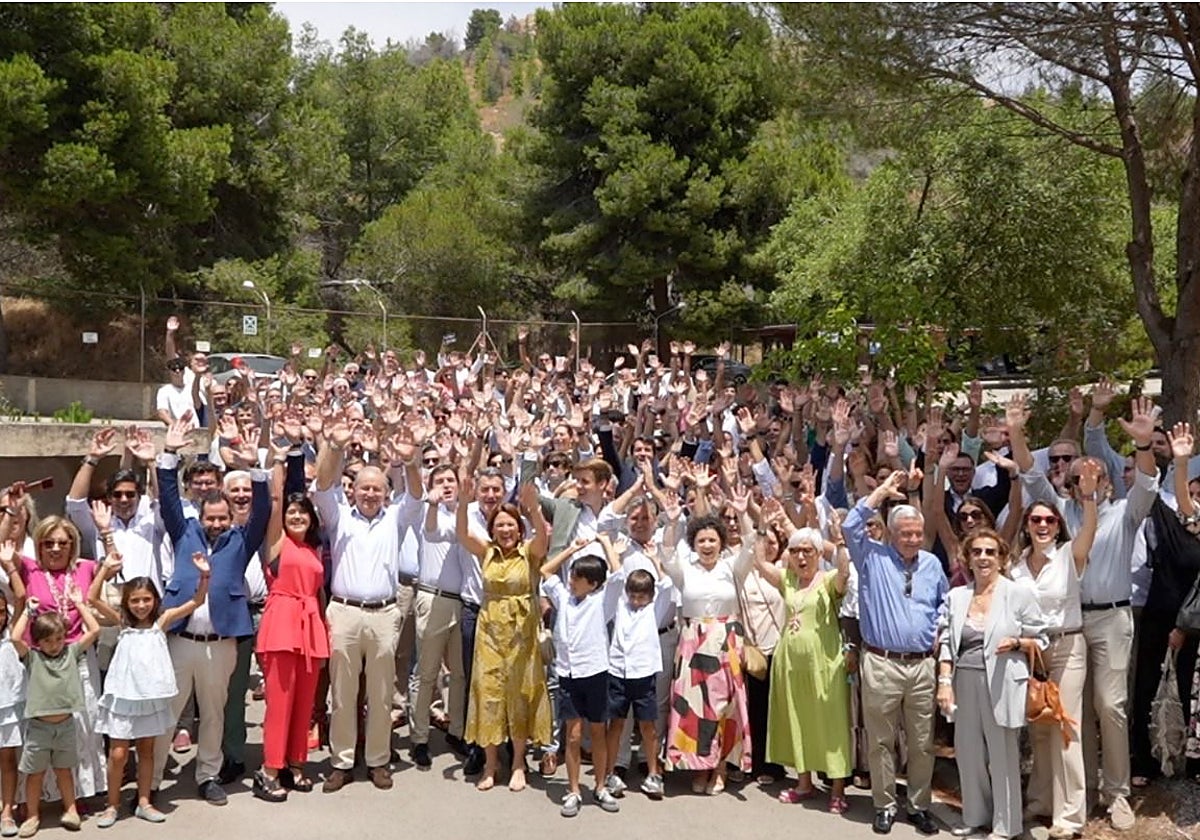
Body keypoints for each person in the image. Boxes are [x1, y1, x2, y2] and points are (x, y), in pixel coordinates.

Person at [1011, 392, 1158, 831]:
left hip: (1111, 618)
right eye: (1078, 476)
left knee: (1110, 704)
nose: (1087, 481)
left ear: (1109, 479)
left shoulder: (1124, 513)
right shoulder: (1057, 514)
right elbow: (1028, 470)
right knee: (1071, 712)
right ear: (1070, 484)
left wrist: (1145, 445)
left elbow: (1148, 482)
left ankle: (1116, 794)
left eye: (1095, 474)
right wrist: (1017, 431)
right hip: (1067, 627)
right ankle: (1082, 792)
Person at [152, 419, 270, 807]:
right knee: (169, 710)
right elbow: (168, 496)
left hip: (221, 644)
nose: (217, 523)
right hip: (180, 640)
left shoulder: (241, 540)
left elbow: (264, 510)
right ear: (200, 517)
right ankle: (151, 780)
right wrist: (169, 454)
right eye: (211, 518)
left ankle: (207, 775)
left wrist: (257, 470)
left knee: (215, 713)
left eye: (223, 518)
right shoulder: (183, 533)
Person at [842, 468, 947, 837]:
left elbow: (943, 604)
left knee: (921, 742)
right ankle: (884, 804)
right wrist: (882, 494)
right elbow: (849, 527)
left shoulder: (932, 564)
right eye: (905, 533)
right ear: (891, 533)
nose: (913, 539)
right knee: (881, 741)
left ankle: (918, 806)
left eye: (917, 533)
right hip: (881, 662)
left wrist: (939, 629)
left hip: (921, 666)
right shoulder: (871, 557)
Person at [314, 414, 407, 794]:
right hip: (345, 612)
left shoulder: (396, 518)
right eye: (364, 488)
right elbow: (322, 483)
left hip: (384, 612)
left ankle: (378, 760)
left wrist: (409, 459)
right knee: (343, 692)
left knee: (382, 694)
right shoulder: (340, 517)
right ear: (353, 490)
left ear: (386, 492)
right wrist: (335, 445)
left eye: (377, 489)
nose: (370, 494)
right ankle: (342, 761)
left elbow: (415, 494)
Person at [937, 530, 1049, 840]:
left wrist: (1016, 642)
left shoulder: (1018, 594)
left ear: (1001, 558)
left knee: (1002, 753)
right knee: (968, 750)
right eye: (977, 552)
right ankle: (975, 815)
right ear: (967, 558)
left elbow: (1041, 638)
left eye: (990, 552)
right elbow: (947, 641)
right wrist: (945, 682)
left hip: (1003, 681)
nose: (983, 558)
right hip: (965, 679)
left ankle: (1006, 825)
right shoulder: (957, 596)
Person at [88, 551, 211, 827]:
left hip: (150, 698)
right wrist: (105, 569)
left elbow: (197, 601)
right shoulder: (122, 622)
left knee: (147, 751)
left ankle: (144, 801)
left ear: (155, 600)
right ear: (126, 603)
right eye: (135, 600)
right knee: (118, 753)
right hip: (124, 696)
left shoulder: (162, 621)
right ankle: (112, 805)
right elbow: (92, 598)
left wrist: (204, 575)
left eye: (146, 599)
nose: (141, 605)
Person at [1009, 472, 1099, 839]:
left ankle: (1069, 815)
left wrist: (1089, 498)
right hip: (1032, 653)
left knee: (1066, 728)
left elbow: (1089, 532)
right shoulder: (1015, 566)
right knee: (1040, 728)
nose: (1043, 525)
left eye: (1049, 520)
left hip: (1067, 646)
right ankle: (1041, 802)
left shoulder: (1068, 556)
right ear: (1027, 525)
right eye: (1036, 520)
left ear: (1058, 525)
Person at [455, 478, 552, 792]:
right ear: (492, 529)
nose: (506, 530)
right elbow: (461, 534)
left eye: (511, 524)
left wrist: (533, 509)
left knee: (520, 694)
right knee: (488, 694)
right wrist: (462, 502)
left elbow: (544, 538)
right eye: (500, 525)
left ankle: (519, 762)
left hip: (521, 634)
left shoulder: (529, 553)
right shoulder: (487, 551)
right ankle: (490, 764)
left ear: (519, 528)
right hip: (490, 631)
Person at [660, 486, 757, 796]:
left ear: (721, 542)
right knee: (696, 711)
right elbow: (666, 555)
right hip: (692, 644)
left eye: (712, 540)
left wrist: (742, 514)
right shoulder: (685, 570)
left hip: (726, 642)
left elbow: (752, 547)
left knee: (724, 709)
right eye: (701, 540)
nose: (707, 545)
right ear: (694, 543)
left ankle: (720, 768)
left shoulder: (733, 568)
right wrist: (673, 522)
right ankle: (698, 767)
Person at [253, 436, 329, 803]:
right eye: (292, 514)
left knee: (304, 702)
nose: (297, 516)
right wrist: (279, 462)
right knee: (280, 703)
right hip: (283, 622)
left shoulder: (313, 547)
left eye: (303, 513)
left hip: (311, 623)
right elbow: (277, 500)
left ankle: (295, 762)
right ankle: (269, 769)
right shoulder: (277, 542)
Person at [758, 518, 853, 813]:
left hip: (825, 664)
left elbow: (846, 572)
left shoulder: (828, 580)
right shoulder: (787, 579)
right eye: (796, 550)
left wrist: (837, 539)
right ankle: (804, 782)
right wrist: (760, 526)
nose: (801, 557)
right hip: (790, 663)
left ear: (817, 554)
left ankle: (837, 788)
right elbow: (760, 563)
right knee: (798, 720)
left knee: (831, 723)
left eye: (807, 551)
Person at [11, 518, 106, 807]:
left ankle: (79, 794)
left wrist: (105, 531)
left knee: (82, 724)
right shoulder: (29, 568)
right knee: (42, 725)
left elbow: (114, 562)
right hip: (40, 660)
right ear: (38, 545)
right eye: (48, 543)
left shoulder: (86, 568)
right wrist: (11, 513)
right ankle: (41, 795)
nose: (55, 548)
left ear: (73, 545)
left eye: (63, 543)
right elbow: (3, 547)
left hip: (78, 654)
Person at [539, 533, 623, 817]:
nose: (571, 581)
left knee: (597, 732)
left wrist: (607, 544)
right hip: (568, 674)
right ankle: (573, 790)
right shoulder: (563, 597)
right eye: (572, 576)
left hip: (596, 673)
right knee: (572, 736)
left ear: (594, 584)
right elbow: (545, 571)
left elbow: (619, 575)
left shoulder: (602, 602)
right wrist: (573, 549)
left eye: (578, 578)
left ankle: (599, 786)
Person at [11, 577, 101, 838]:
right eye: (48, 640)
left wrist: (78, 603)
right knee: (35, 773)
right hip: (39, 728)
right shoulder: (33, 657)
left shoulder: (71, 653)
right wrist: (28, 612)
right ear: (38, 641)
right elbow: (16, 638)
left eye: (59, 638)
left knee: (65, 771)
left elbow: (94, 631)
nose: (55, 644)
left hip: (66, 726)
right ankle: (32, 815)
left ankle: (70, 809)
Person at [600, 544, 674, 801]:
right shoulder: (620, 607)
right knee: (616, 724)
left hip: (643, 674)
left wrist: (655, 560)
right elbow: (616, 580)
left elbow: (666, 587)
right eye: (633, 595)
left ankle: (654, 774)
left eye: (642, 596)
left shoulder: (654, 611)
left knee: (648, 726)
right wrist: (615, 556)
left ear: (650, 596)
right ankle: (610, 772)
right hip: (619, 672)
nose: (636, 600)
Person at [0, 546, 27, 839]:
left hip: (8, 706)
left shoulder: (10, 636)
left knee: (8, 758)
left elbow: (19, 597)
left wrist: (9, 566)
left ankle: (8, 809)